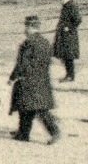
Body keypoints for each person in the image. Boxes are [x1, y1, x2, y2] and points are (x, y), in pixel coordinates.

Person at [8, 15, 60, 144]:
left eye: (26, 27)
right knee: (29, 108)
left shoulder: (28, 43)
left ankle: (54, 132)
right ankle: (23, 133)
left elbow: (21, 63)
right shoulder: (45, 42)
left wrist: (13, 77)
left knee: (35, 109)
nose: (25, 30)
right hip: (41, 80)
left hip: (29, 81)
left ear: (30, 27)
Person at [53, 0, 81, 82]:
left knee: (68, 56)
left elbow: (78, 19)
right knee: (65, 55)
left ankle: (70, 76)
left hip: (69, 36)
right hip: (65, 35)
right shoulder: (67, 5)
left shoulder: (71, 5)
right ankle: (69, 75)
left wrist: (69, 28)